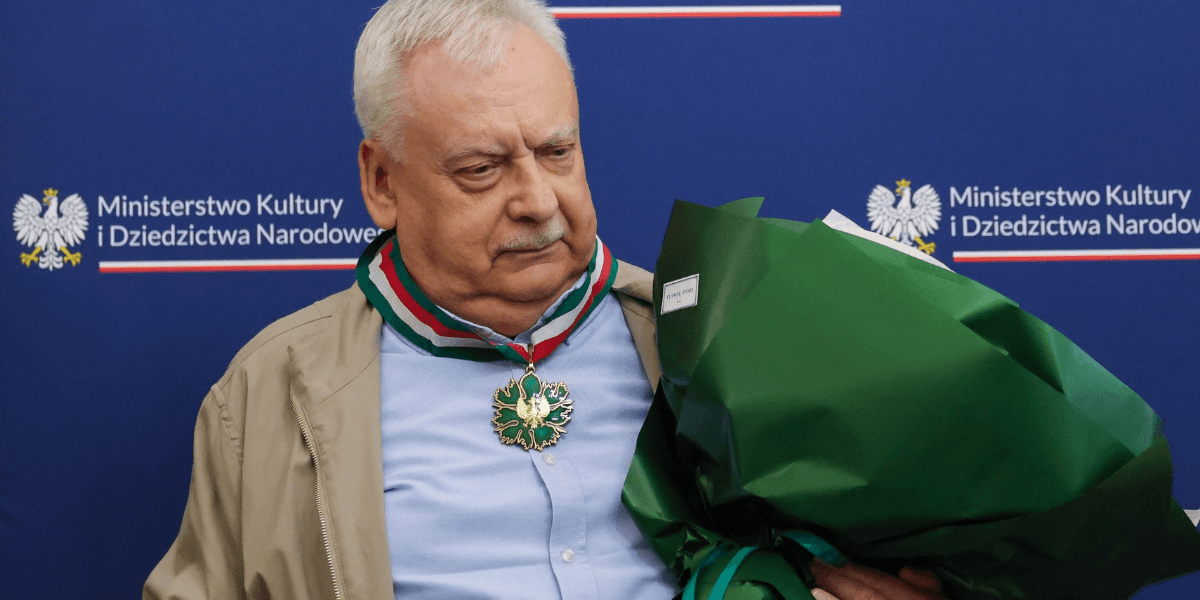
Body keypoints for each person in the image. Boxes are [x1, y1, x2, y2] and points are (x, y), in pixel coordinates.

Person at [144, 1, 945, 599]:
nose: (537, 200)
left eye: (557, 151)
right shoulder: (268, 393)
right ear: (382, 182)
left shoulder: (710, 339)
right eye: (481, 169)